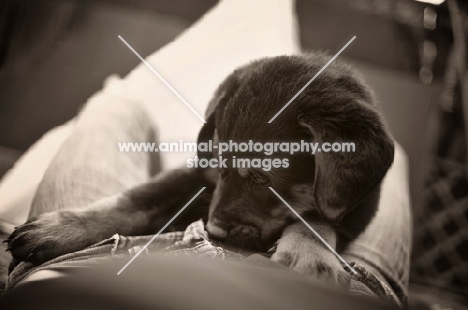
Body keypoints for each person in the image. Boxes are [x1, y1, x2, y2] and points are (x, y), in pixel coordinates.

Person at [0, 0, 411, 308]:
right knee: (399, 160)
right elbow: (201, 174)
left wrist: (311, 229)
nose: (218, 220)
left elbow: (357, 178)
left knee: (114, 108)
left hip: (94, 265)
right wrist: (315, 230)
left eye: (259, 179)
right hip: (324, 294)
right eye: (225, 167)